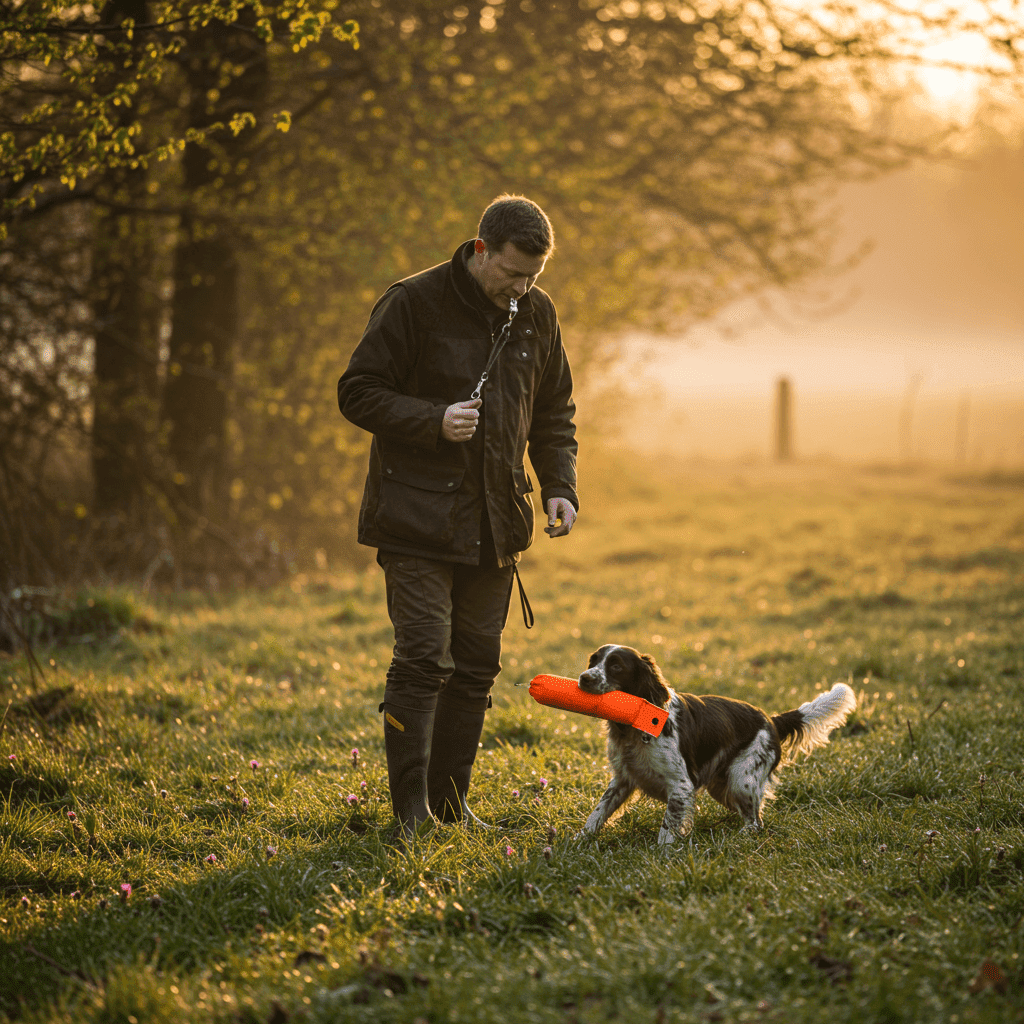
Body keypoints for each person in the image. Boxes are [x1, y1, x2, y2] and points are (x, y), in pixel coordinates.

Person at [337, 194, 579, 837]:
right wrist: (432, 420)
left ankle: (450, 807)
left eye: (533, 278)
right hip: (415, 520)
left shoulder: (537, 313)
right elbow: (357, 392)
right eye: (512, 275)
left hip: (497, 523)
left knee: (475, 666)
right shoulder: (411, 302)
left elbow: (553, 409)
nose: (521, 289)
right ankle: (410, 815)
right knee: (423, 660)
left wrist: (560, 485)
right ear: (480, 252)